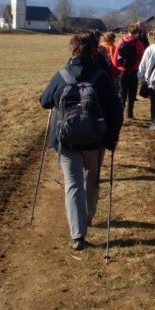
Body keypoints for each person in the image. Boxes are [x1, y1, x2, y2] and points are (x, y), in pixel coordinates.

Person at [39, 34, 123, 251]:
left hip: (66, 141)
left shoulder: (61, 75)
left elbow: (45, 101)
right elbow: (116, 109)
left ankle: (77, 235)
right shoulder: (101, 77)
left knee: (73, 184)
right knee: (91, 179)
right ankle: (88, 217)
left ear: (72, 50)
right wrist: (112, 137)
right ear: (94, 51)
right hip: (95, 139)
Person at [113, 24, 145, 119]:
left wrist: (116, 68)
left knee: (122, 93)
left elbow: (115, 57)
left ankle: (120, 113)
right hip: (133, 71)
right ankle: (129, 113)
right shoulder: (139, 43)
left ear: (128, 31)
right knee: (132, 94)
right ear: (137, 33)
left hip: (122, 71)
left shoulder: (121, 41)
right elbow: (142, 57)